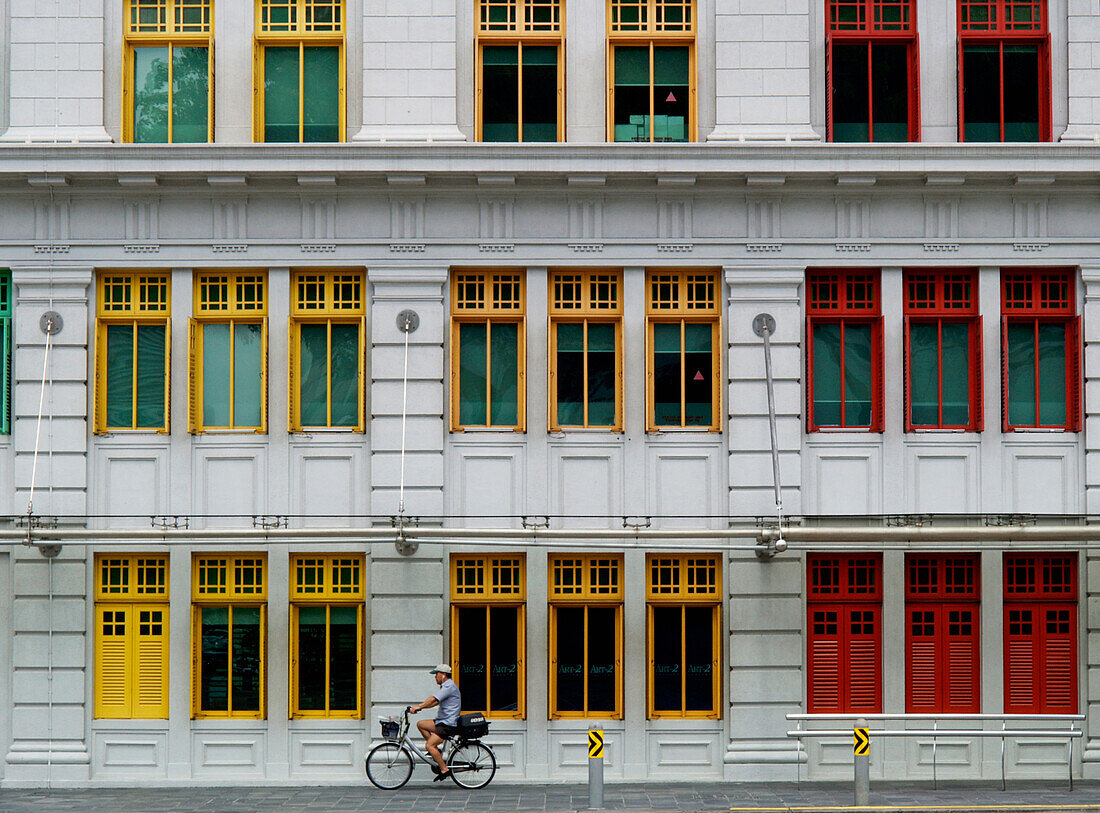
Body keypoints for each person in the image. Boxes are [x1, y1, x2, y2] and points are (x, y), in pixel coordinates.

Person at [410, 663, 461, 781]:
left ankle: (444, 769)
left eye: (436, 674)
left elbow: (433, 699)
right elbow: (434, 702)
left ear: (443, 675)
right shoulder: (445, 687)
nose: (435, 677)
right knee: (421, 724)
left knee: (429, 745)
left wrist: (419, 706)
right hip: (442, 721)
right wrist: (421, 707)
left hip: (447, 724)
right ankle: (436, 752)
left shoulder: (449, 686)